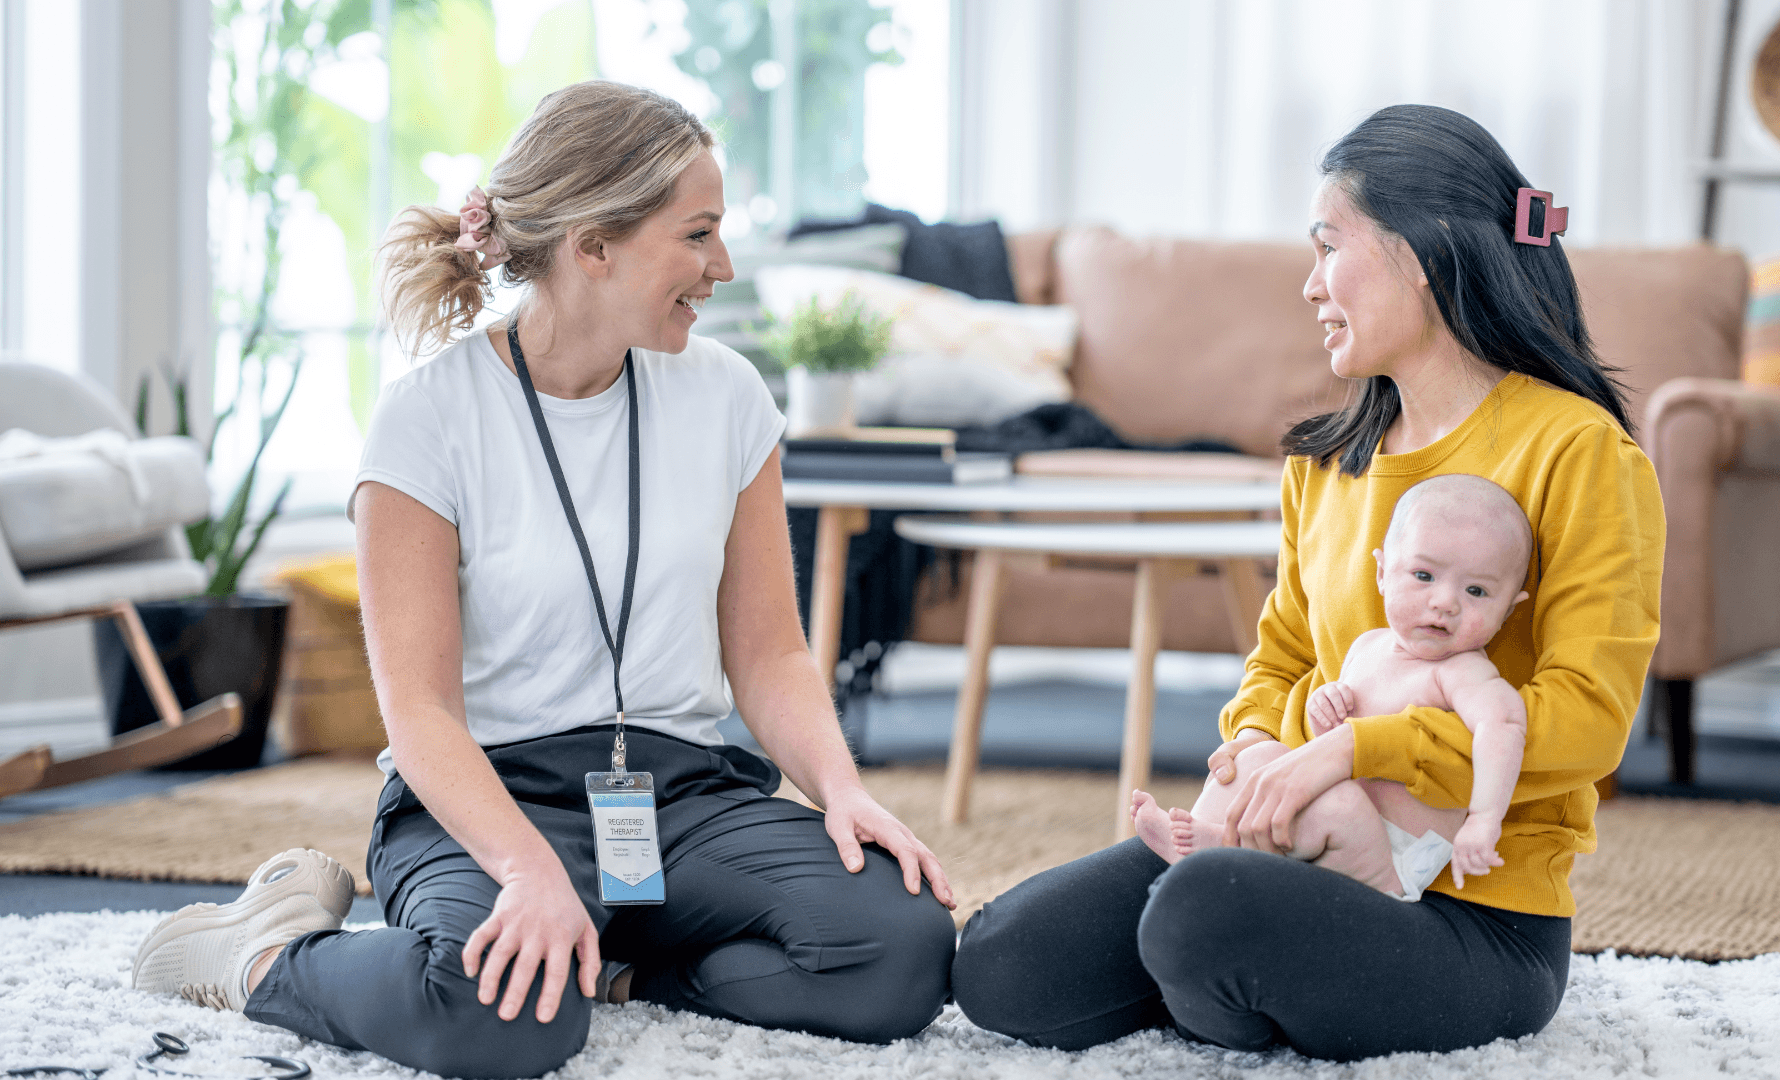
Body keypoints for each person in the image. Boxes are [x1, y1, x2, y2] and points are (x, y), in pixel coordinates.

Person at [130, 81, 958, 1079]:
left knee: (900, 950)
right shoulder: (427, 420)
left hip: (680, 797)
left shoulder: (729, 396)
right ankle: (260, 956)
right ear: (594, 245)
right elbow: (420, 711)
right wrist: (525, 867)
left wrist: (840, 788)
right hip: (486, 797)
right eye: (697, 235)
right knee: (496, 1017)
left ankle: (610, 968)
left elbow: (769, 649)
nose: (723, 267)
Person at [950, 103, 1665, 1061]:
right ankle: (1240, 971)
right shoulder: (1326, 466)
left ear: (1419, 255)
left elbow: (1588, 723)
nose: (1310, 283)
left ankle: (1227, 966)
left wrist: (1356, 749)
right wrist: (1255, 750)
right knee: (1001, 964)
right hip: (1289, 846)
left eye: (1330, 247)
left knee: (1199, 914)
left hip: (1477, 921)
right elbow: (1280, 657)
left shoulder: (1581, 454)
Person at [1128, 473, 1533, 900]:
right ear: (1381, 572)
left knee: (1338, 805)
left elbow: (1504, 726)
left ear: (1508, 609)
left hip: (1392, 855)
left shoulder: (1462, 672)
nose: (1444, 602)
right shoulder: (1367, 647)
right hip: (1335, 825)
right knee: (1262, 756)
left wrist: (1484, 819)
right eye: (1423, 575)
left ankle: (1219, 849)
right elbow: (1332, 746)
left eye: (1476, 590)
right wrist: (1327, 707)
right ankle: (1199, 842)